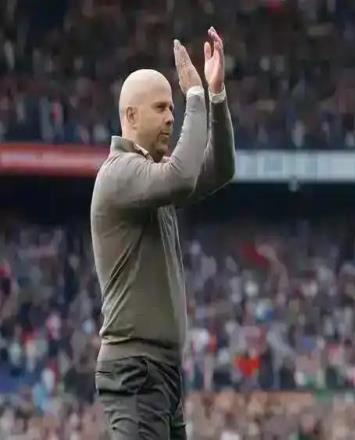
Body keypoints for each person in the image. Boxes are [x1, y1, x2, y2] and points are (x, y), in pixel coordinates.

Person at [90, 27, 235, 439]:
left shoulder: (153, 178)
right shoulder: (119, 174)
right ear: (131, 116)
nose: (171, 117)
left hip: (161, 371)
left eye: (173, 107)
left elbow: (221, 169)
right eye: (160, 108)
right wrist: (194, 96)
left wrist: (216, 95)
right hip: (135, 369)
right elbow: (181, 176)